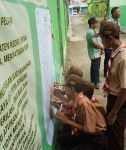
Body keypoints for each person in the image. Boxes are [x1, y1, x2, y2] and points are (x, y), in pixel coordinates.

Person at [92, 21, 126, 150]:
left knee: (116, 137)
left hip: (120, 102)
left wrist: (114, 112)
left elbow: (124, 89)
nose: (102, 43)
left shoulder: (123, 58)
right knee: (111, 134)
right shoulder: (115, 51)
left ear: (110, 38)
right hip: (113, 99)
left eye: (102, 39)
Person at [52, 75, 108, 150]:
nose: (64, 91)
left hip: (97, 140)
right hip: (87, 134)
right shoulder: (77, 99)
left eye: (66, 88)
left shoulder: (84, 103)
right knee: (62, 138)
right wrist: (58, 107)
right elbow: (74, 116)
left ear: (71, 90)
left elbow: (90, 130)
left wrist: (67, 121)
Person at [86, 17, 104, 89]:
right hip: (94, 53)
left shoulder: (93, 31)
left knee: (94, 66)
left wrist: (101, 49)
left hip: (96, 52)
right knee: (96, 67)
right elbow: (95, 44)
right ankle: (96, 82)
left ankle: (93, 79)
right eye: (95, 23)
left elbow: (97, 42)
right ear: (91, 24)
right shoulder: (90, 32)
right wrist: (102, 48)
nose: (97, 24)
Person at [104, 7, 121, 77]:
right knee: (108, 58)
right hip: (109, 44)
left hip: (115, 44)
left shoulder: (117, 20)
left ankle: (112, 71)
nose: (120, 13)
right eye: (119, 11)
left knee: (115, 58)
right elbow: (106, 34)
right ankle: (105, 72)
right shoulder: (109, 22)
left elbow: (119, 29)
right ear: (114, 13)